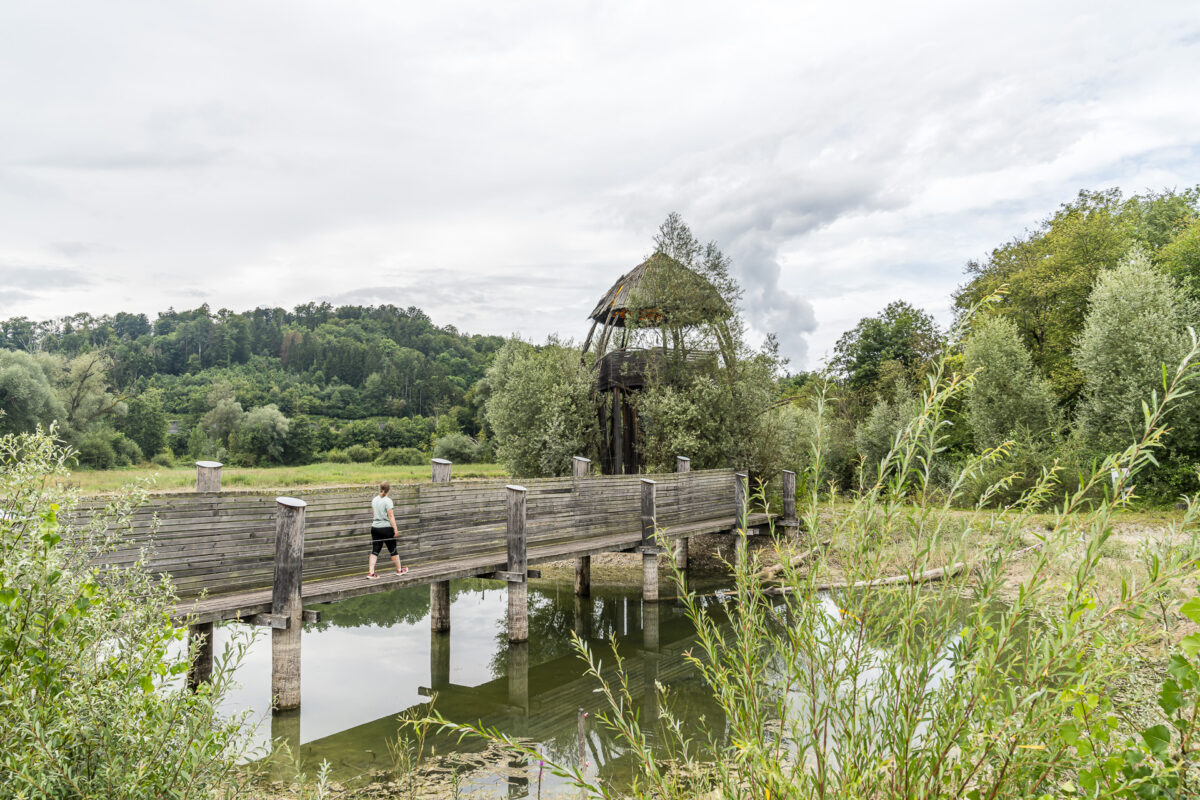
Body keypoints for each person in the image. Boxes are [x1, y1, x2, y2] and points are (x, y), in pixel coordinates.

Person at [367, 481, 408, 579]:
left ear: (380, 488)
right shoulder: (388, 501)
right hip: (386, 528)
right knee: (393, 550)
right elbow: (391, 516)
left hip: (375, 528)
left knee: (375, 551)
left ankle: (371, 573)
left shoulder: (374, 500)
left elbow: (374, 513)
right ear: (389, 490)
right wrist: (395, 529)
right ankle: (399, 570)